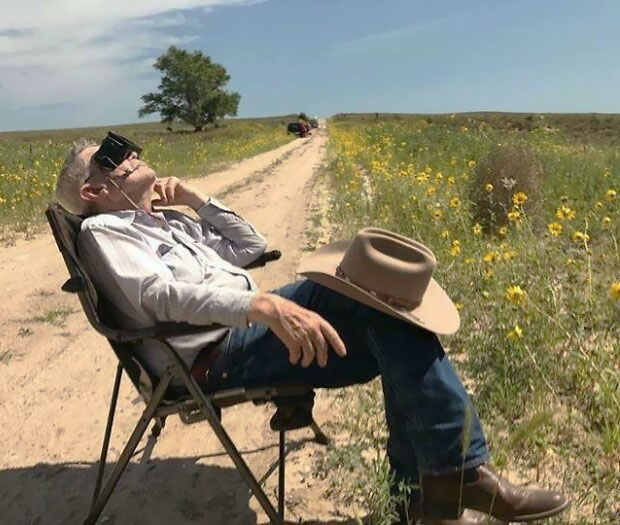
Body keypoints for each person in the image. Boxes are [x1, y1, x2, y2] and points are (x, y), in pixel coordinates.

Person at [55, 134, 570, 525]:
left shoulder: (169, 220)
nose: (131, 153)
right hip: (213, 356)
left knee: (382, 304)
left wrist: (195, 199)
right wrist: (262, 307)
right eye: (113, 155)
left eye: (127, 147)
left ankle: (427, 489)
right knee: (370, 300)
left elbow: (252, 247)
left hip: (240, 330)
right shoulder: (106, 230)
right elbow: (159, 296)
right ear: (94, 189)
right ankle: (449, 478)